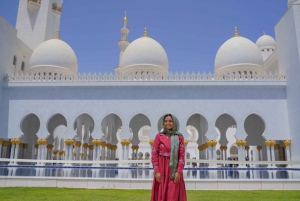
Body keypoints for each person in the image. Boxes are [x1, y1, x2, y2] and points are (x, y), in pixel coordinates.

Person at [150, 114, 187, 201]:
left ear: (174, 122)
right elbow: (154, 153)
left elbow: (181, 155)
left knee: (173, 193)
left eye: (170, 121)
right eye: (166, 121)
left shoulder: (179, 137)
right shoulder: (159, 136)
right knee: (161, 192)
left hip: (174, 170)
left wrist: (178, 171)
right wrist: (157, 171)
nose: (168, 123)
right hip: (162, 169)